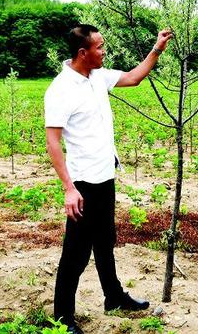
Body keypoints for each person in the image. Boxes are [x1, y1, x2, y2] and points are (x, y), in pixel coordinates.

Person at [44, 24, 172, 334]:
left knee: (104, 242)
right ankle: (62, 319)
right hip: (83, 183)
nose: (105, 51)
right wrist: (69, 188)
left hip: (105, 175)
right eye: (100, 47)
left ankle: (113, 296)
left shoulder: (98, 77)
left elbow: (133, 77)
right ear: (83, 53)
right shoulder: (60, 89)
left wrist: (157, 49)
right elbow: (52, 142)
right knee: (75, 253)